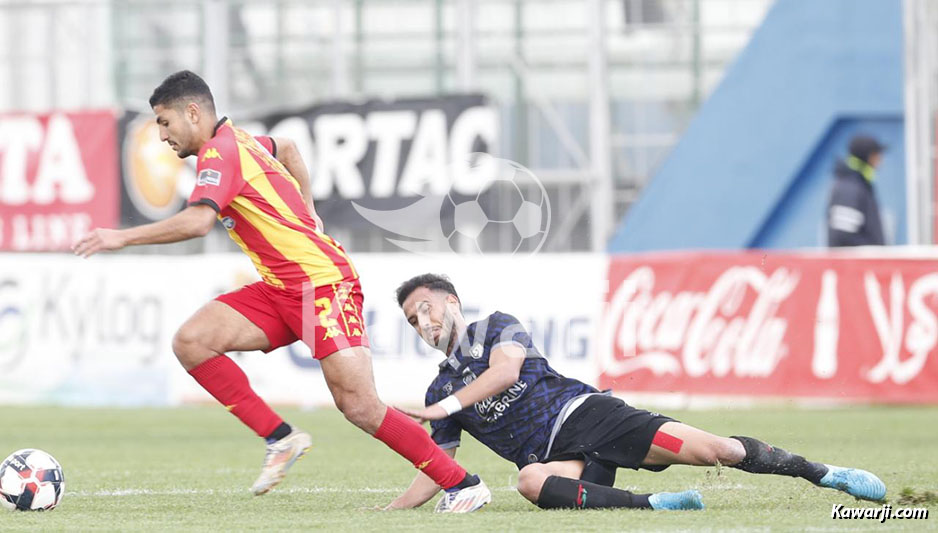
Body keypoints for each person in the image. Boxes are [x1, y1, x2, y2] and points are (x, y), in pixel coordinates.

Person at [71, 71, 490, 512]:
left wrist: (122, 238)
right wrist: (308, 208)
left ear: (192, 112)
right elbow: (287, 147)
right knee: (192, 341)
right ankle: (281, 438)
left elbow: (197, 222)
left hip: (323, 287)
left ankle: (463, 483)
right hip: (281, 288)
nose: (160, 135)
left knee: (360, 407)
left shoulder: (220, 153)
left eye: (164, 121)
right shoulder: (242, 142)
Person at [384, 273, 888, 511]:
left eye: (426, 308)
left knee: (722, 450)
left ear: (452, 301)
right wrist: (389, 513)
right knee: (531, 483)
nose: (421, 322)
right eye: (412, 320)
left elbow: (507, 374)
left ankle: (824, 474)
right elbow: (437, 470)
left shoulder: (498, 327)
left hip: (591, 417)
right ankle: (656, 504)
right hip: (560, 460)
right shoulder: (441, 387)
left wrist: (440, 407)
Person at [827, 134, 887, 247]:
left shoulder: (858, 183)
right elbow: (842, 236)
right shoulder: (849, 187)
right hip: (853, 264)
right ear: (868, 157)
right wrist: (873, 253)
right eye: (877, 155)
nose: (880, 160)